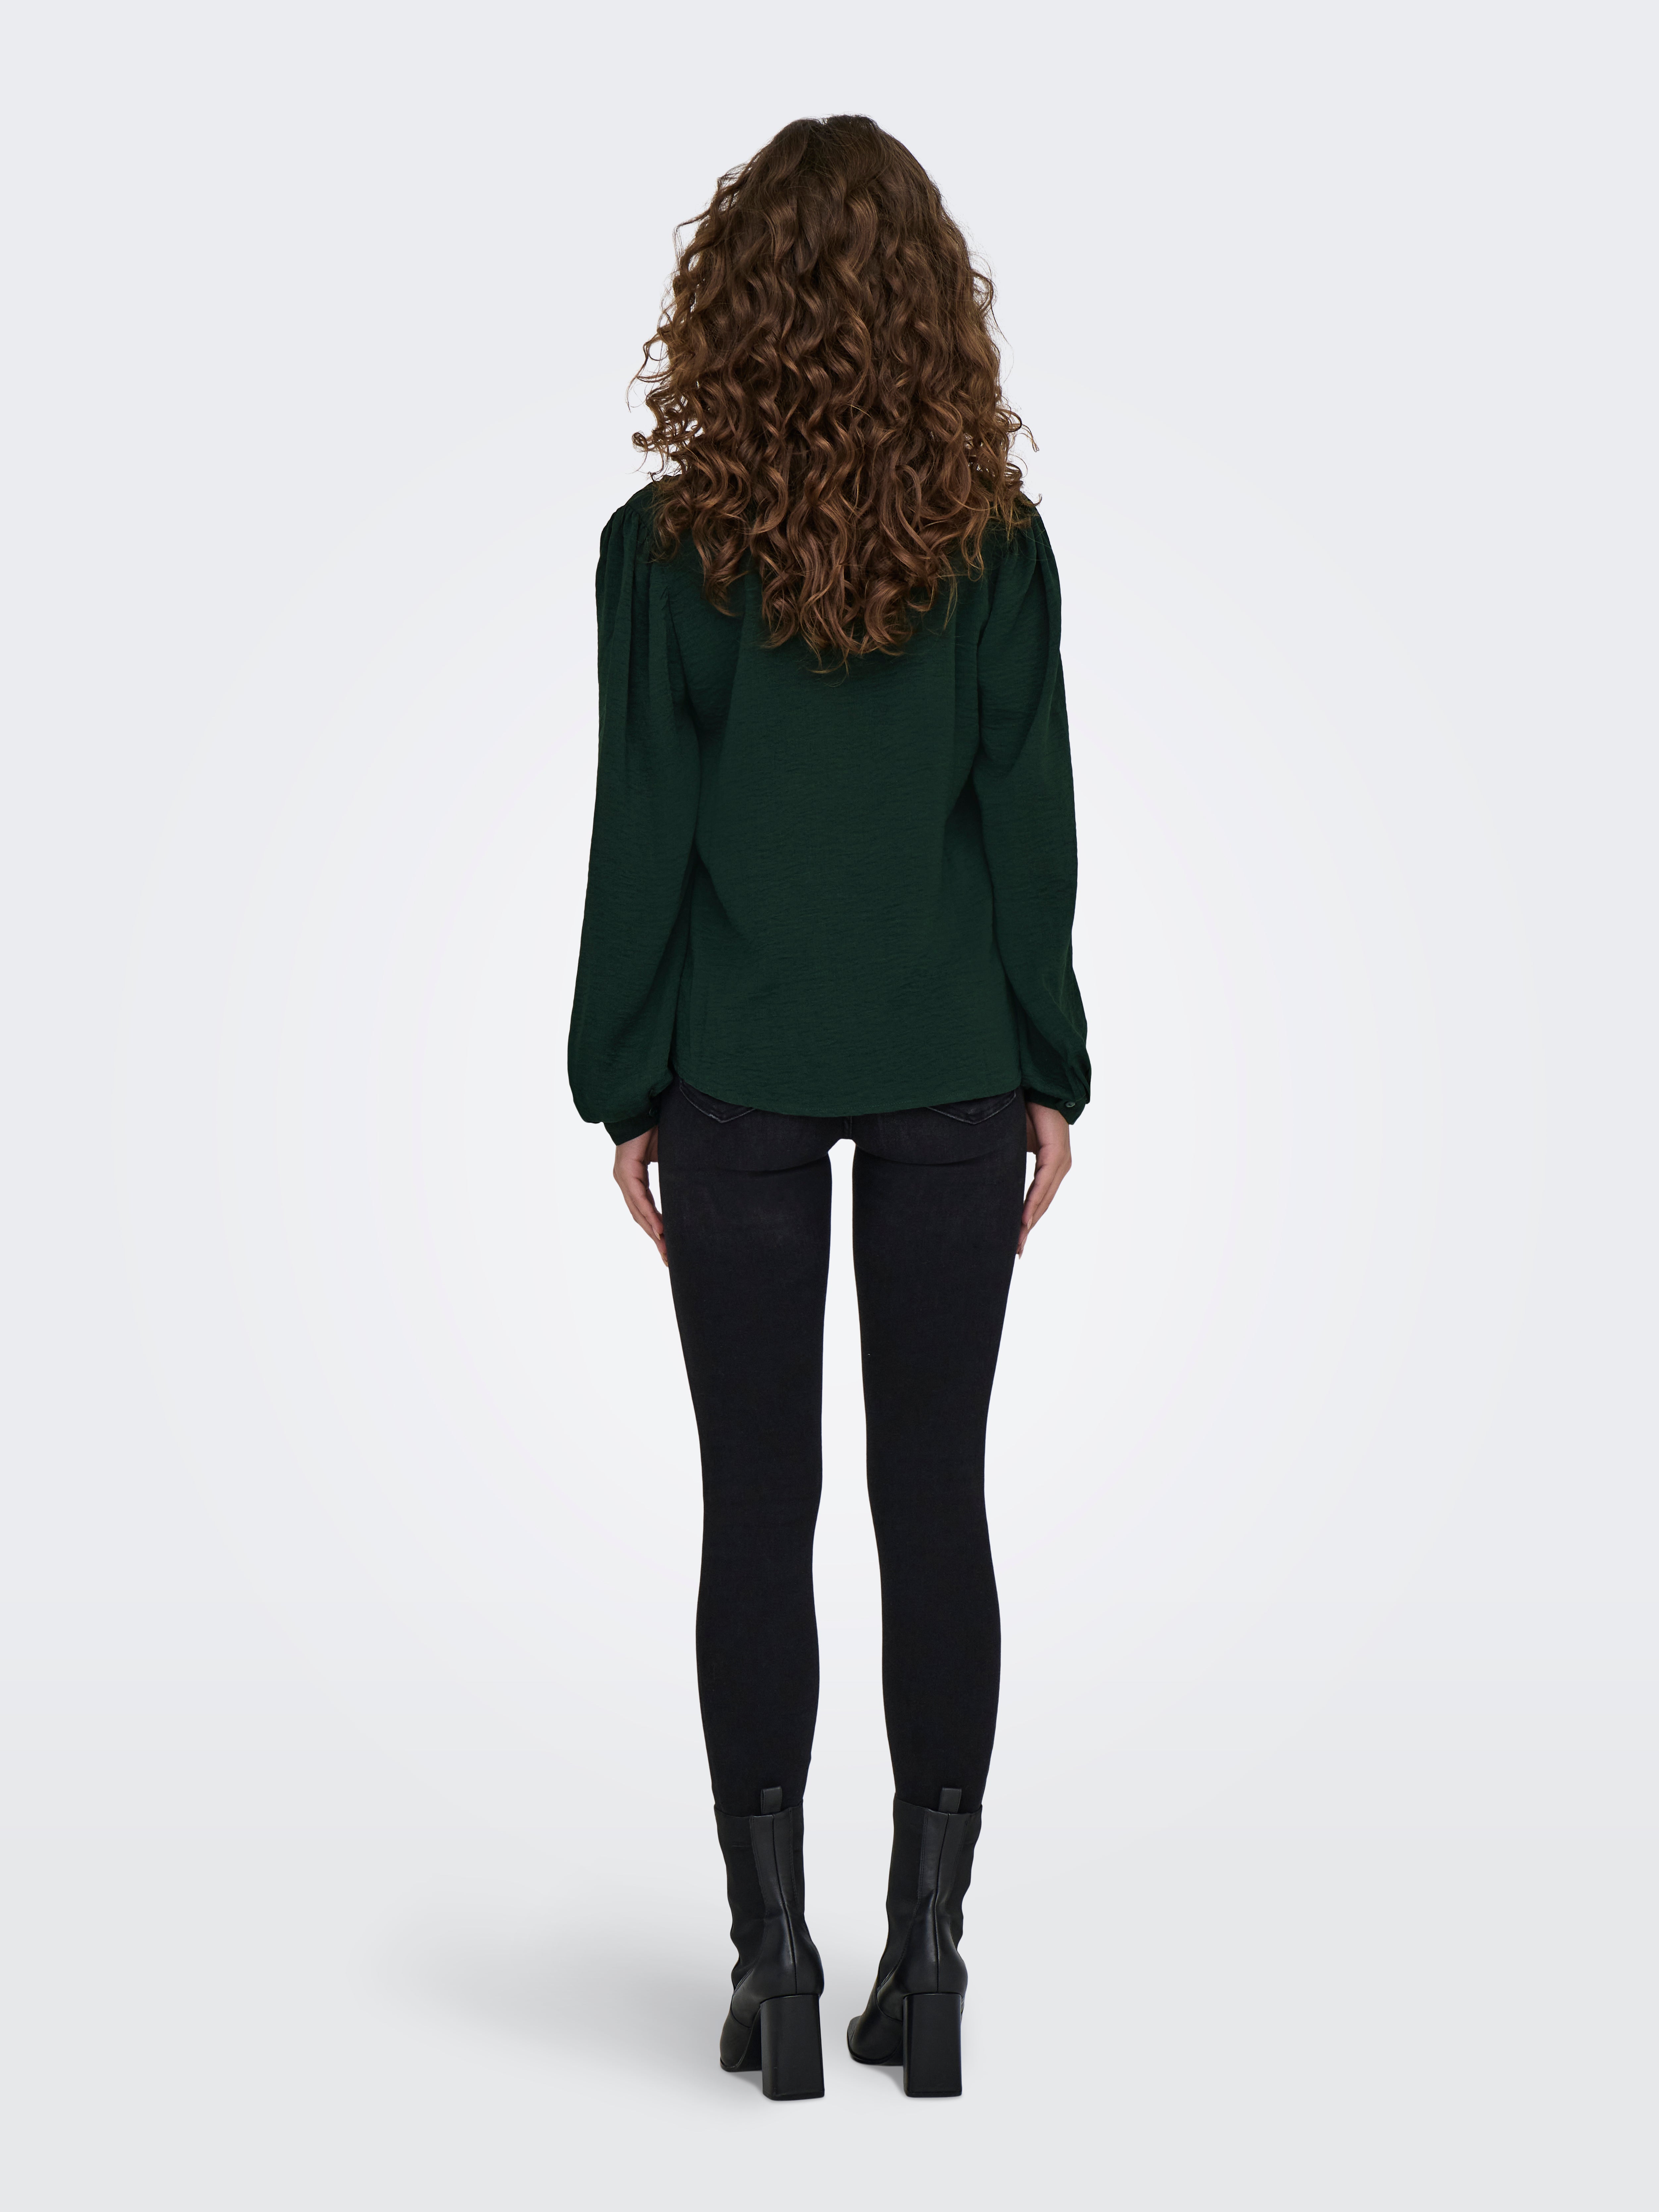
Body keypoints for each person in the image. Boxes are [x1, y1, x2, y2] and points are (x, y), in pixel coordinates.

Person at [567, 114, 1088, 2100]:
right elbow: (1026, 827)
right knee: (934, 1497)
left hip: (739, 1080)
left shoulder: (664, 553)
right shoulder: (994, 547)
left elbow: (641, 832)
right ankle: (928, 1960)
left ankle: (774, 1959)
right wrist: (1046, 1059)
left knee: (757, 1506)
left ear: (731, 310)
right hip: (952, 1067)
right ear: (937, 312)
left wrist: (624, 1075)